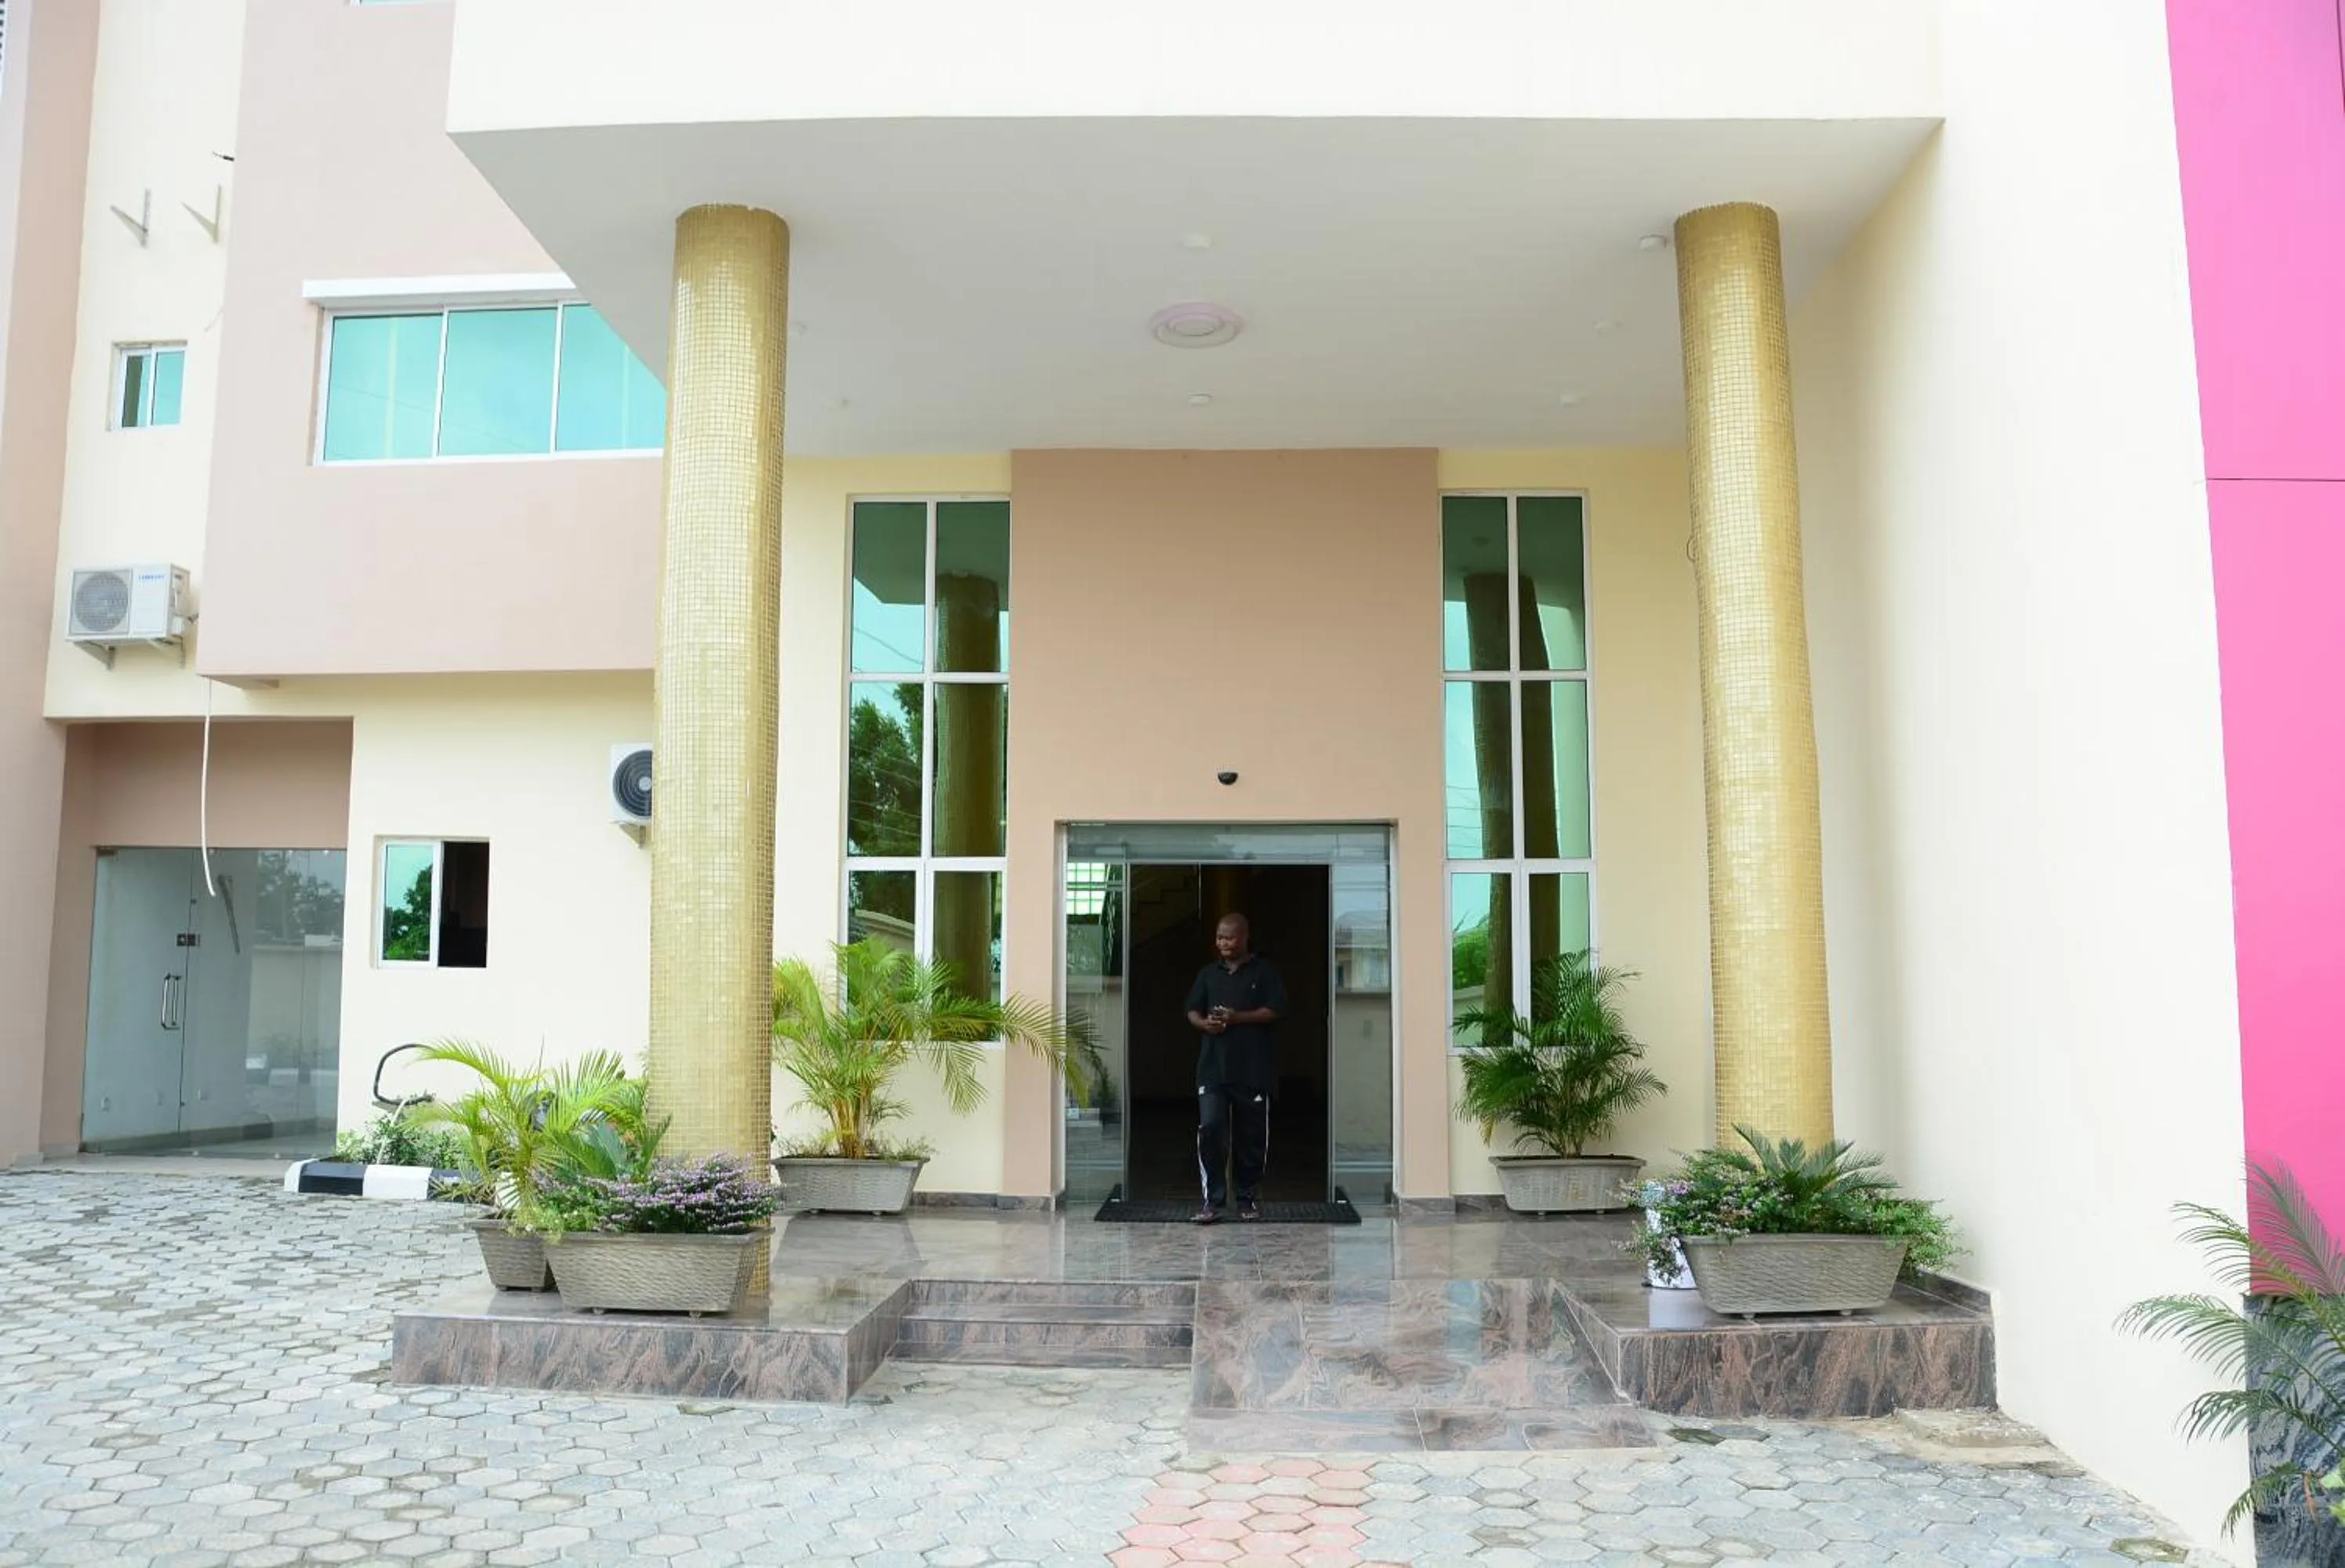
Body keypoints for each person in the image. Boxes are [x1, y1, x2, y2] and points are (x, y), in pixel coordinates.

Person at [1184, 913, 1287, 1224]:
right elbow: (1192, 1010)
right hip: (1213, 1069)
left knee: (1251, 1137)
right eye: (1219, 937)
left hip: (1254, 1070)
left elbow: (1276, 1010)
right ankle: (1212, 1201)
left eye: (1229, 938)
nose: (1223, 943)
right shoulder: (1208, 974)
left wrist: (1235, 1017)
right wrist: (1207, 1025)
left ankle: (1246, 1199)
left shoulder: (1265, 972)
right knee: (1212, 1129)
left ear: (1244, 938)